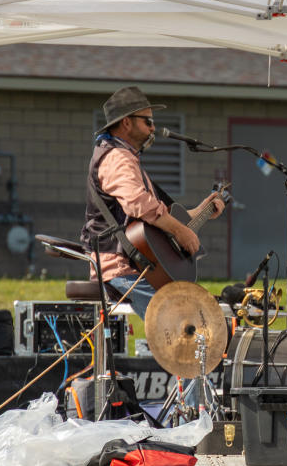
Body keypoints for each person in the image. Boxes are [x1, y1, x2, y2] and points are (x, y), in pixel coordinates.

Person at [80, 86, 224, 318]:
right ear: (126, 122)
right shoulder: (116, 158)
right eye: (147, 121)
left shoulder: (126, 157)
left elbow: (152, 220)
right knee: (182, 324)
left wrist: (202, 211)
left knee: (189, 321)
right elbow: (139, 204)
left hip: (135, 267)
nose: (153, 128)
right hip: (121, 269)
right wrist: (180, 231)